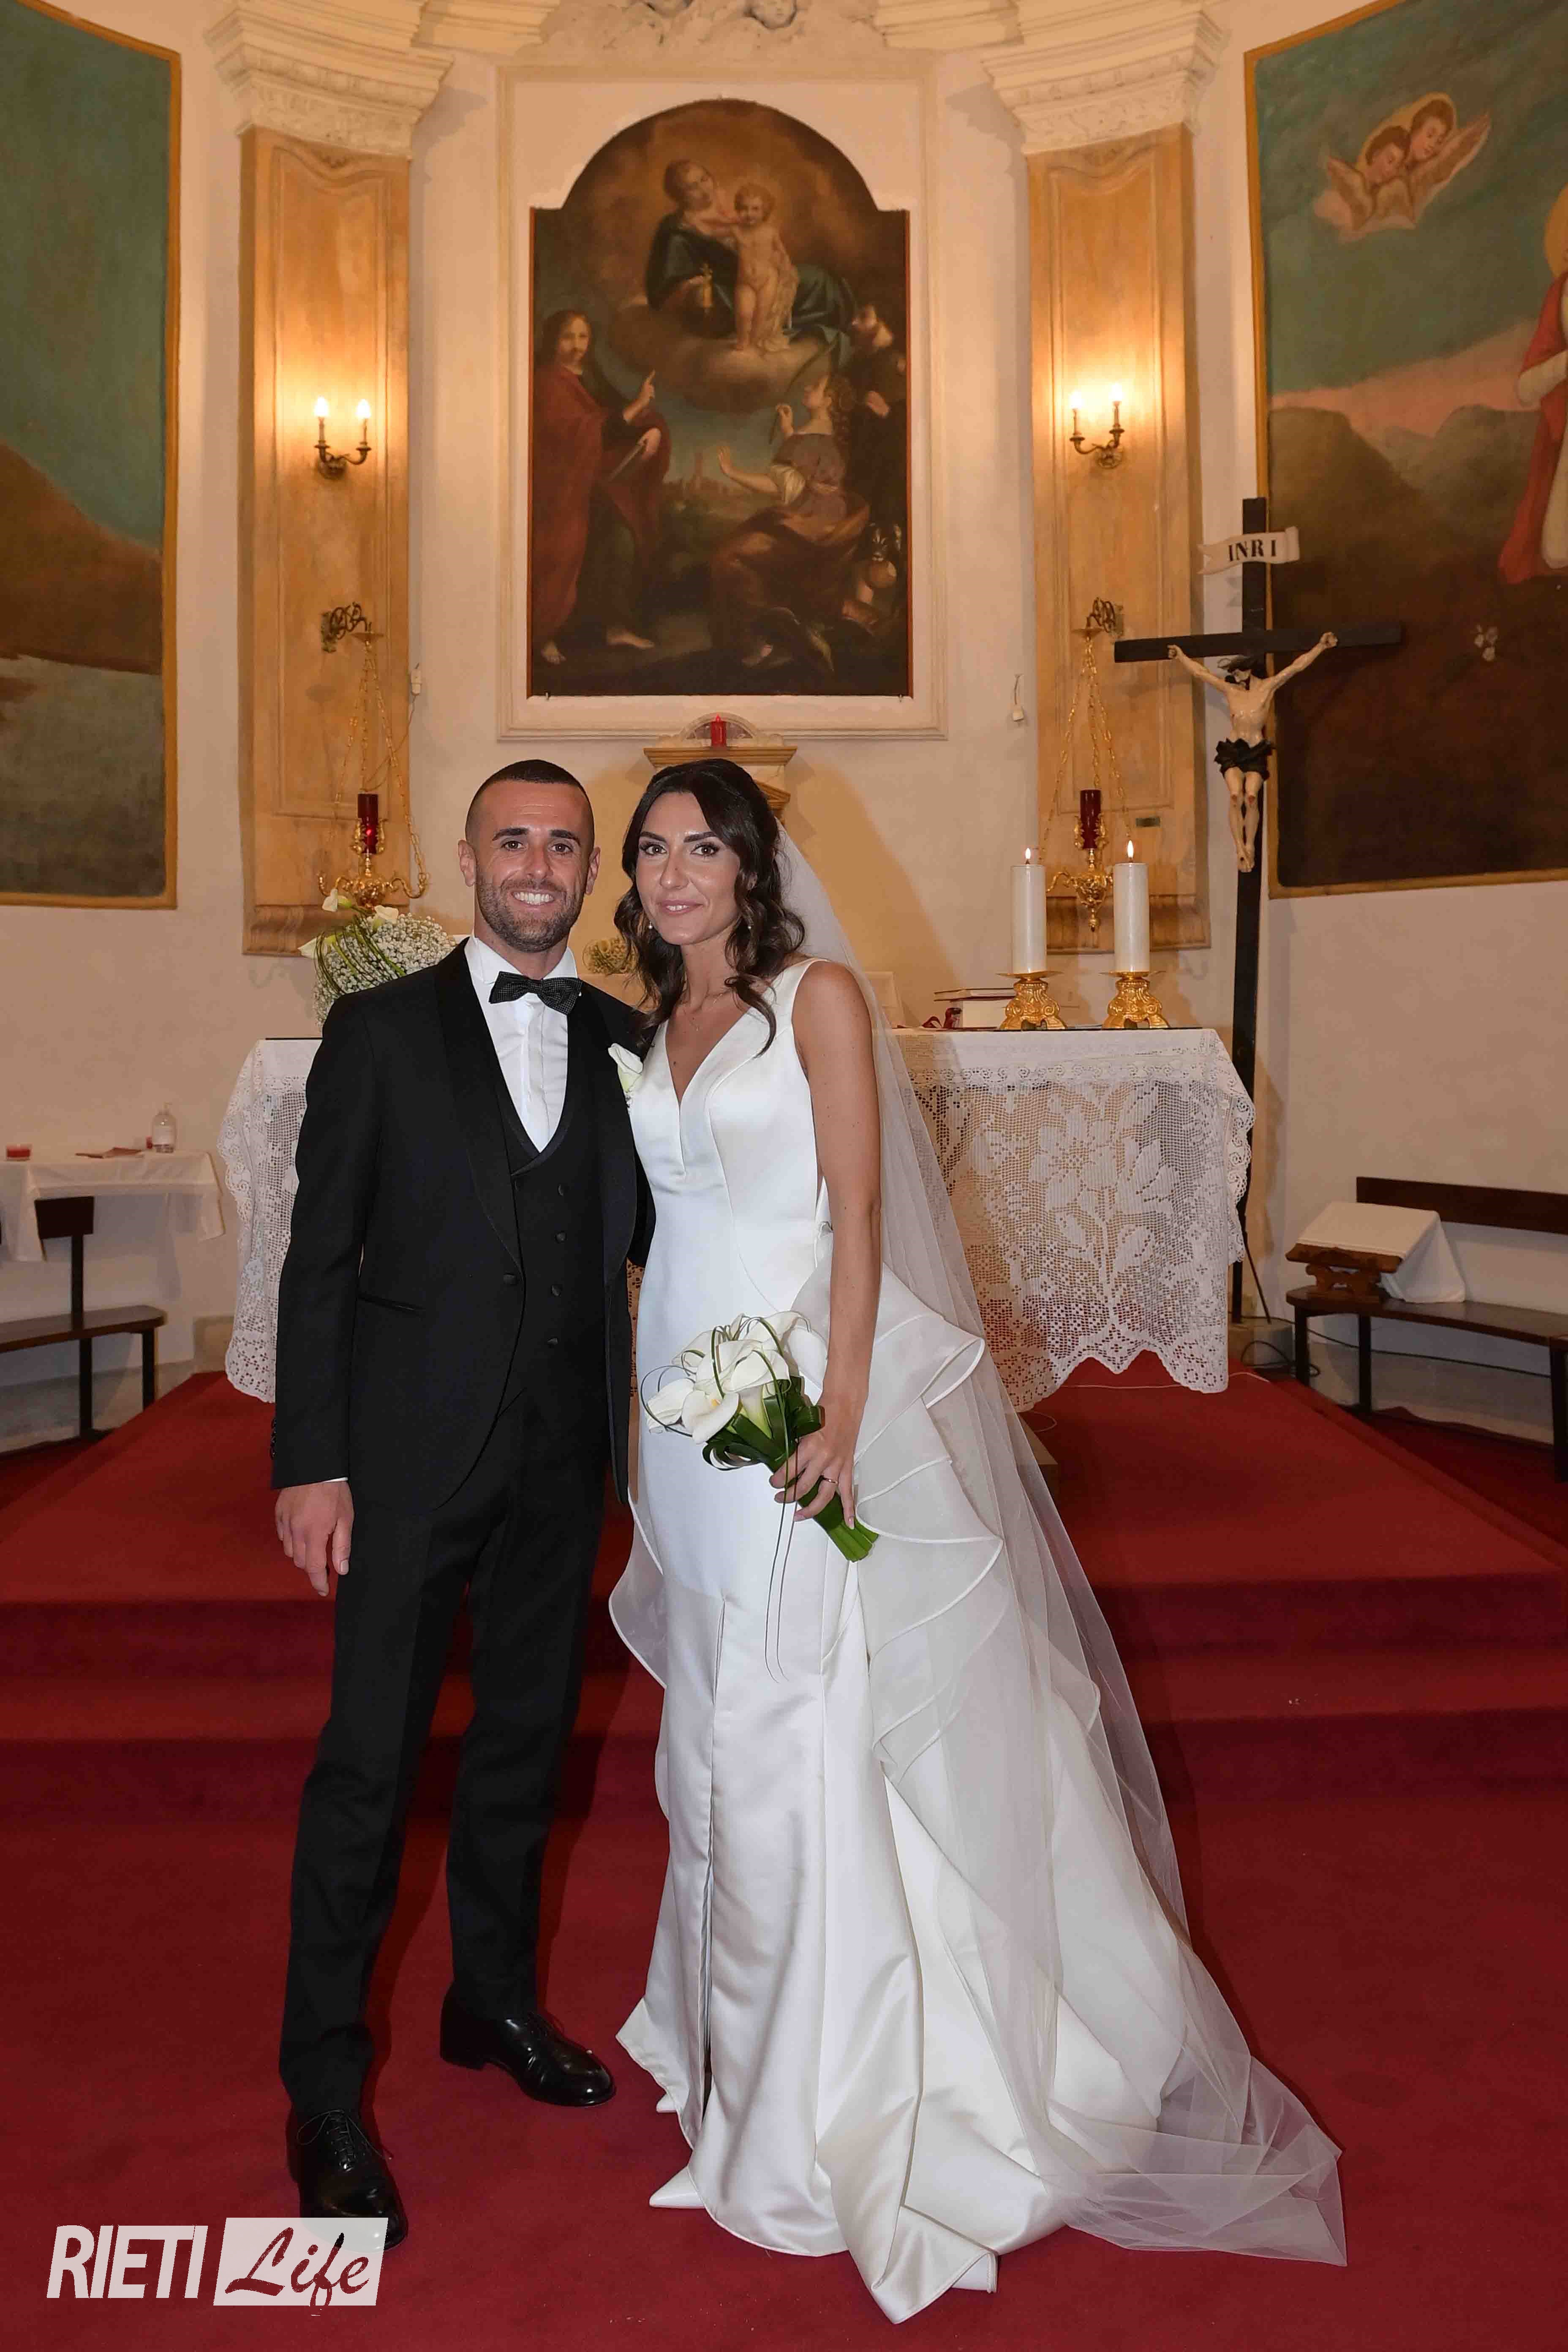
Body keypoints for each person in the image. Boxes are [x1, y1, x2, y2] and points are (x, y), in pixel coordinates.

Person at [607, 758, 1345, 2322]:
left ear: (750, 868)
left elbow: (857, 1217)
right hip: (683, 1411)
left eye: (703, 847)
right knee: (712, 1731)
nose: (675, 872)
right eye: (653, 848)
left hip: (795, 1405)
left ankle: (822, 2105)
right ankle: (734, 2055)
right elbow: (662, 1232)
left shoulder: (812, 1001)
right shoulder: (652, 1023)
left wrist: (838, 1412)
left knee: (796, 1726)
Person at [271, 760, 651, 2246]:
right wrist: (310, 1460)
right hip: (404, 1463)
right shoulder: (377, 1032)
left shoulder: (625, 1039)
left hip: (563, 1463)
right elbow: (317, 1257)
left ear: (590, 869)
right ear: (467, 857)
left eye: (564, 843)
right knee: (369, 1768)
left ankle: (489, 2000)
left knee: (521, 1747)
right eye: (513, 840)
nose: (538, 865)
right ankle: (322, 2089)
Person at [531, 309, 670, 670]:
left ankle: (614, 627)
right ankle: (545, 633)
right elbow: (580, 434)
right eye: (568, 337)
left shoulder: (592, 377)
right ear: (552, 340)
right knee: (565, 553)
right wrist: (637, 406)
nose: (577, 346)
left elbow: (616, 422)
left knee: (621, 540)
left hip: (595, 484)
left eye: (583, 337)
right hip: (560, 491)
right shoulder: (546, 382)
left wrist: (650, 428)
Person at [710, 373, 867, 669]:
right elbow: (802, 476)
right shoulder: (825, 435)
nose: (807, 387)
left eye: (815, 386)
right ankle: (781, 637)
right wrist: (789, 432)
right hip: (825, 521)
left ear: (829, 400)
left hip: (810, 525)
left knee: (732, 558)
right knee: (750, 552)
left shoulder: (808, 439)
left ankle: (765, 641)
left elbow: (779, 486)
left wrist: (732, 472)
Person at [1166, 634, 1338, 871]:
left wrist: (1320, 646)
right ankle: (1239, 848)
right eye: (1234, 674)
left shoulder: (1268, 687)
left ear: (1249, 671)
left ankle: (1250, 845)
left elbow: (1296, 667)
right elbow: (1201, 674)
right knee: (1235, 796)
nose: (1235, 678)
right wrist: (1181, 657)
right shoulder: (1231, 690)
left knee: (1251, 797)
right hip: (1233, 750)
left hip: (1255, 750)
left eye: (1238, 673)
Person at [645, 159, 852, 353]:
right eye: (693, 187)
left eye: (704, 179)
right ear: (680, 196)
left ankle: (846, 321)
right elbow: (666, 291)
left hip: (761, 276)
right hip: (724, 295)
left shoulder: (727, 208)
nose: (704, 189)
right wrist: (692, 286)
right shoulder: (677, 231)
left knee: (817, 278)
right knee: (809, 284)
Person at [730, 181, 798, 354]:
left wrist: (786, 265)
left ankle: (755, 340)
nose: (749, 214)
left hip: (768, 279)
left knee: (762, 313)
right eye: (744, 209)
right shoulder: (735, 231)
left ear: (765, 211)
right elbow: (722, 248)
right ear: (738, 209)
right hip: (745, 281)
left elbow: (781, 251)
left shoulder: (770, 232)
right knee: (744, 313)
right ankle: (743, 339)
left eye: (755, 209)